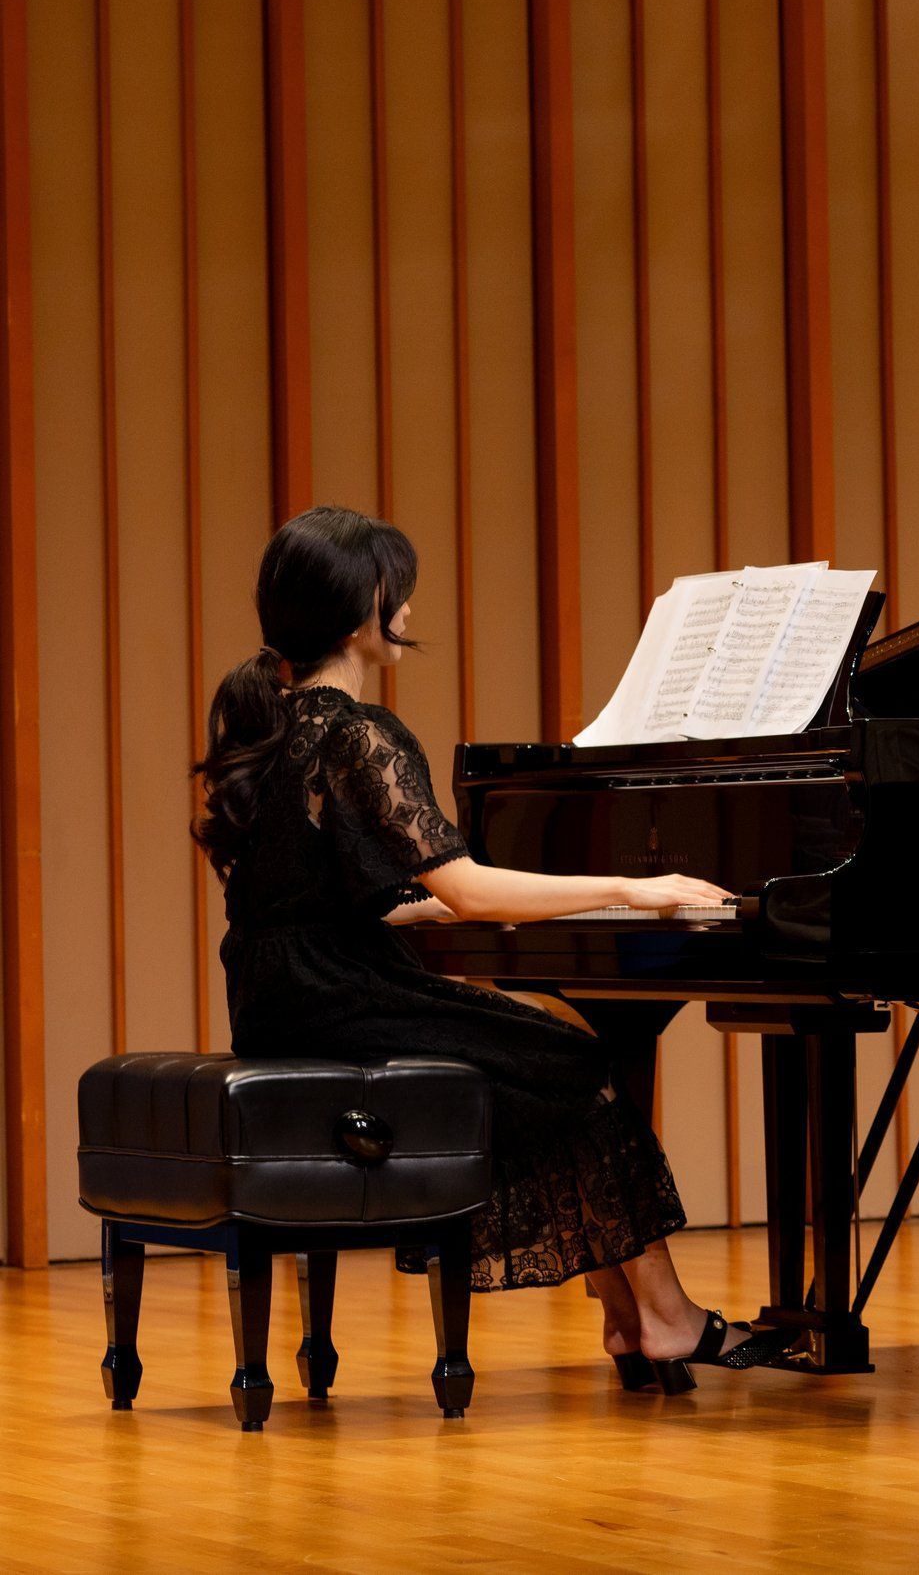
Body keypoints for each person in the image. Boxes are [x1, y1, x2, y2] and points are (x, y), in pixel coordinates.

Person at [194, 506, 769, 1391]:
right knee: (575, 1063)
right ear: (358, 611)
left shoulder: (267, 722)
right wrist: (633, 887)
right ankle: (665, 1318)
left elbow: (300, 895)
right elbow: (470, 888)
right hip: (339, 993)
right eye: (398, 594)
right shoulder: (358, 733)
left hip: (279, 995)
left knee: (538, 1072)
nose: (409, 612)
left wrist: (415, 909)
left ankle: (631, 1318)